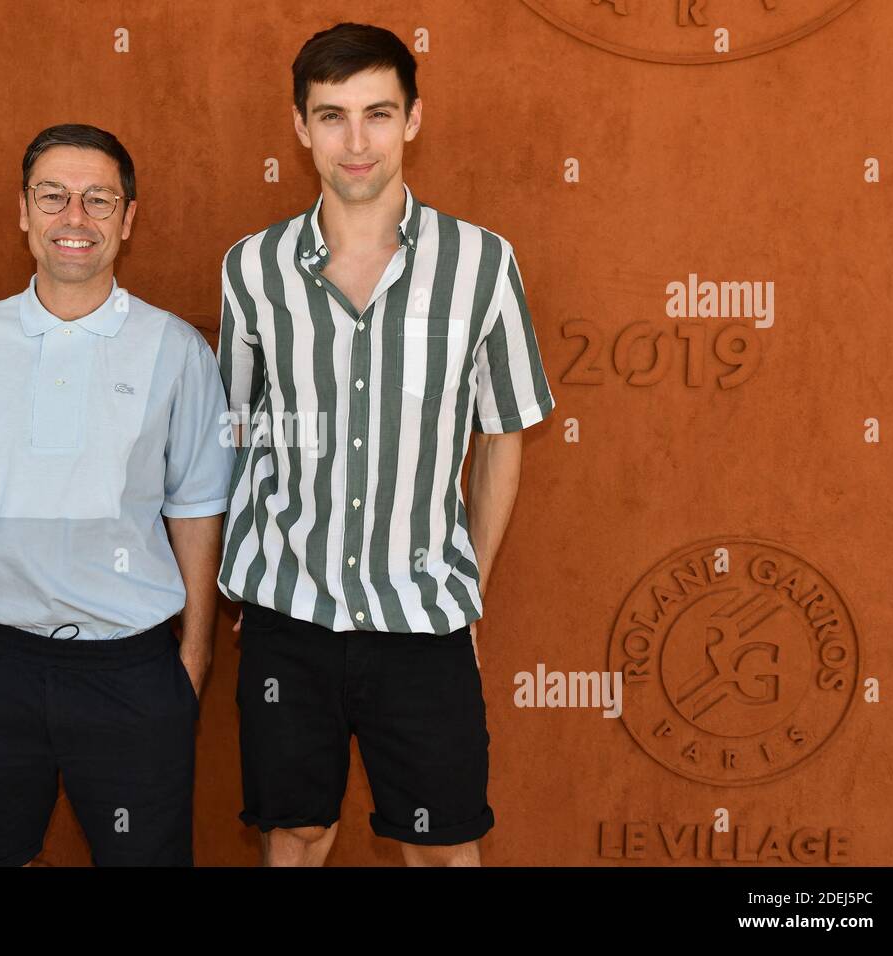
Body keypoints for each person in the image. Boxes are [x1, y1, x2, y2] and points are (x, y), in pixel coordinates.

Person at [217, 23, 556, 866]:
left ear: (413, 120)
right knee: (295, 833)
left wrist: (466, 583)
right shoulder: (251, 270)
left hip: (424, 618)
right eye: (332, 116)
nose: (356, 141)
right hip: (286, 613)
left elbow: (502, 438)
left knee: (443, 848)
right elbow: (234, 434)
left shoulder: (483, 264)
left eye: (378, 112)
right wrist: (237, 583)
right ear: (300, 127)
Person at [0, 123, 233, 866]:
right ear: (23, 211)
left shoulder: (178, 351)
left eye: (98, 199)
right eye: (54, 196)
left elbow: (197, 514)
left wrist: (192, 660)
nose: (75, 218)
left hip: (132, 676)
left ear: (128, 219)